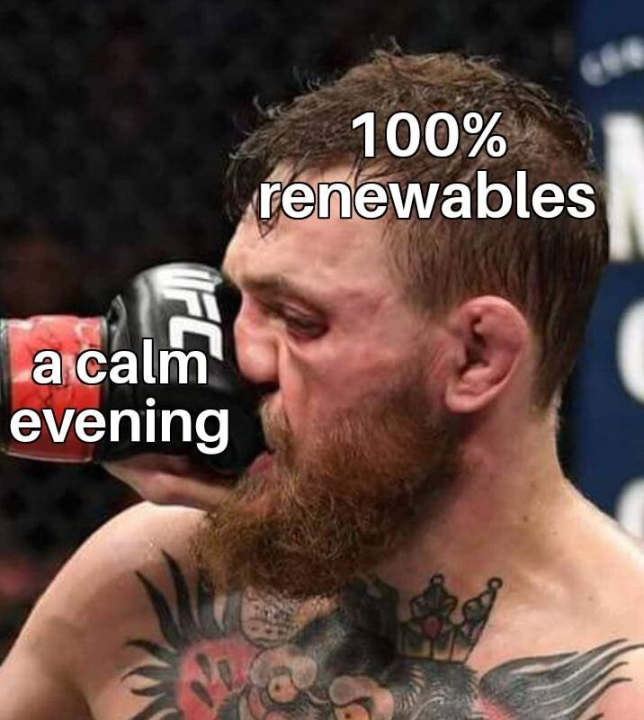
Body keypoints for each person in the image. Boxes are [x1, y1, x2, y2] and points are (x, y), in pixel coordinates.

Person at [2, 51, 644, 719]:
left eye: (299, 320)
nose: (242, 355)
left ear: (476, 357)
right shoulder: (148, 579)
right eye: (237, 300)